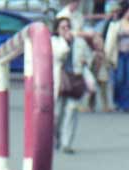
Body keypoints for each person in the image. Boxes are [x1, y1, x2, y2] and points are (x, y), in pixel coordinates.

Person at [52, 17, 89, 154]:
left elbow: (87, 57)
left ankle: (67, 143)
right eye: (63, 27)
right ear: (57, 29)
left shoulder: (79, 42)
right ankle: (56, 138)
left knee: (72, 110)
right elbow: (59, 55)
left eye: (68, 27)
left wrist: (86, 60)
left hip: (75, 79)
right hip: (59, 80)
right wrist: (66, 41)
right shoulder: (54, 42)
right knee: (57, 114)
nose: (66, 30)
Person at [89, 33, 112, 112]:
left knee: (103, 91)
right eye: (97, 43)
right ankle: (91, 106)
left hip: (103, 73)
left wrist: (105, 61)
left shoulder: (105, 53)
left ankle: (105, 106)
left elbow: (109, 64)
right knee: (92, 91)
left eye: (100, 43)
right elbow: (90, 63)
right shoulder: (92, 53)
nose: (99, 45)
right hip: (94, 73)